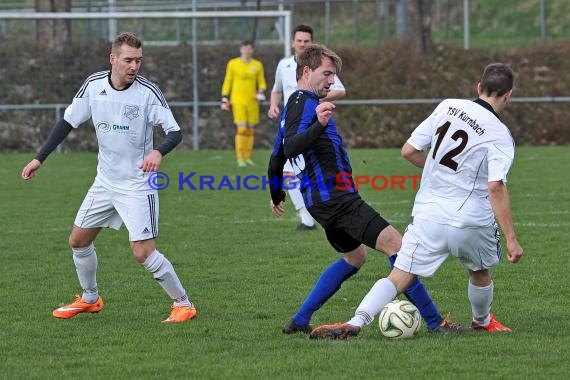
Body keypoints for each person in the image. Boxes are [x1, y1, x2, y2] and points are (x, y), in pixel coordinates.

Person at [310, 63, 524, 340]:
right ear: (508, 95)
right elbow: (495, 186)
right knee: (480, 271)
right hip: (469, 219)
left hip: (429, 214)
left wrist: (439, 171)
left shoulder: (448, 107)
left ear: (479, 88)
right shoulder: (500, 135)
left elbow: (409, 150)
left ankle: (356, 321)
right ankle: (481, 321)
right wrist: (511, 238)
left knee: (400, 275)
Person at [268, 44, 469, 335]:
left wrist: (277, 193)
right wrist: (320, 125)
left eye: (334, 76)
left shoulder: (294, 106)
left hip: (322, 201)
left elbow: (276, 158)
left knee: (354, 257)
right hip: (336, 198)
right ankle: (436, 323)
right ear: (307, 71)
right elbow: (290, 148)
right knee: (400, 248)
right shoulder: (303, 102)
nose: (331, 81)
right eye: (327, 74)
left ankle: (299, 320)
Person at [21, 32, 196, 324]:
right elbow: (67, 121)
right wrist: (40, 157)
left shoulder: (147, 93)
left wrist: (158, 152)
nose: (134, 66)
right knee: (78, 241)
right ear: (112, 59)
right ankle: (90, 299)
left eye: (138, 61)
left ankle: (183, 303)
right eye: (128, 60)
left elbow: (175, 132)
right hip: (105, 181)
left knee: (142, 252)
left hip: (138, 184)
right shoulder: (93, 85)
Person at [267, 24, 346, 231]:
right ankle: (307, 214)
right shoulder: (283, 65)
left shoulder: (321, 67)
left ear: (312, 43)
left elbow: (340, 90)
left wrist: (314, 95)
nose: (302, 44)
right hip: (290, 123)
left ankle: (312, 212)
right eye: (299, 41)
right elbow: (276, 90)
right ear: (293, 43)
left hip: (312, 123)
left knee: (299, 167)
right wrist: (274, 105)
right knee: (285, 169)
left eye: (306, 41)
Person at [221, 40, 267, 168]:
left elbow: (262, 82)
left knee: (250, 130)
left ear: (252, 50)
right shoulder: (233, 64)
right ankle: (240, 158)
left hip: (252, 102)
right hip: (238, 101)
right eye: (244, 48)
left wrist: (261, 91)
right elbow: (228, 80)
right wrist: (225, 96)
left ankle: (247, 158)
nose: (247, 51)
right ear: (240, 49)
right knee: (241, 129)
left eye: (249, 49)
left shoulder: (257, 65)